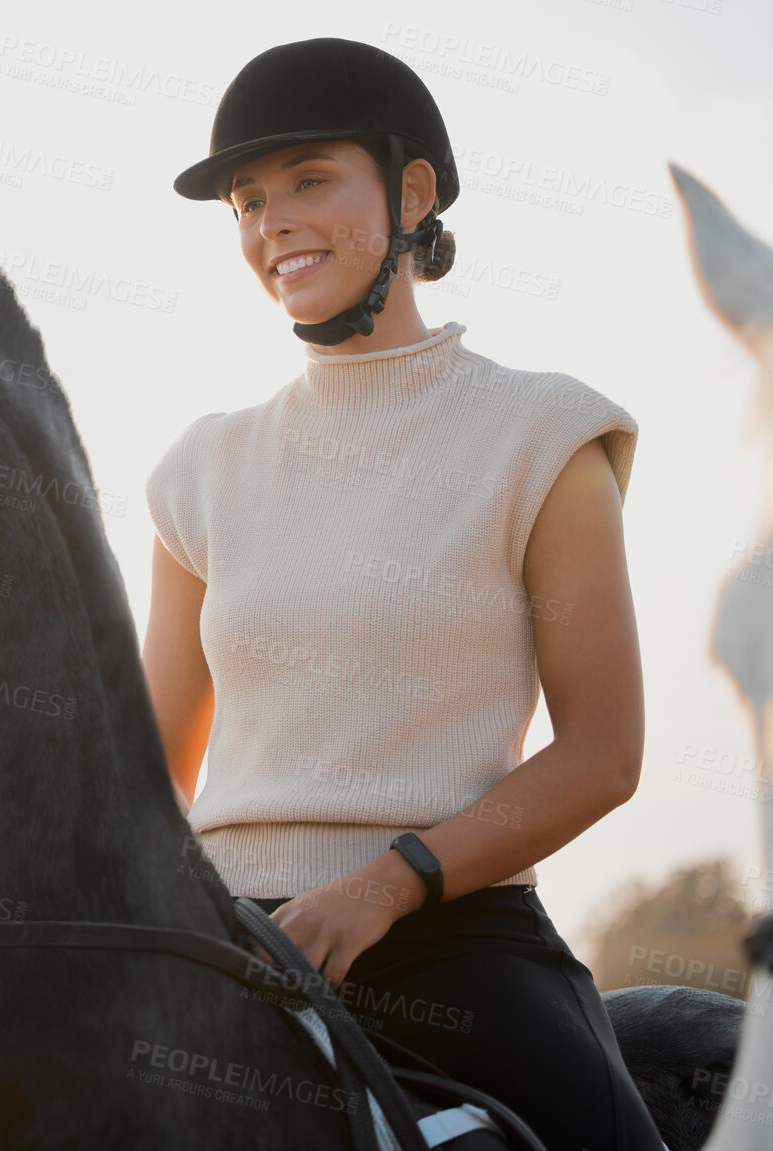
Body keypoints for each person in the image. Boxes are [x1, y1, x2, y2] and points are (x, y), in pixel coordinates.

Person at [142, 37, 666, 1150]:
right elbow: (148, 771)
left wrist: (384, 885)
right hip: (224, 944)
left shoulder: (543, 433)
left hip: (450, 938)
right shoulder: (197, 469)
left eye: (308, 179)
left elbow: (602, 753)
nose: (270, 221)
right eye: (246, 200)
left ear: (412, 191)